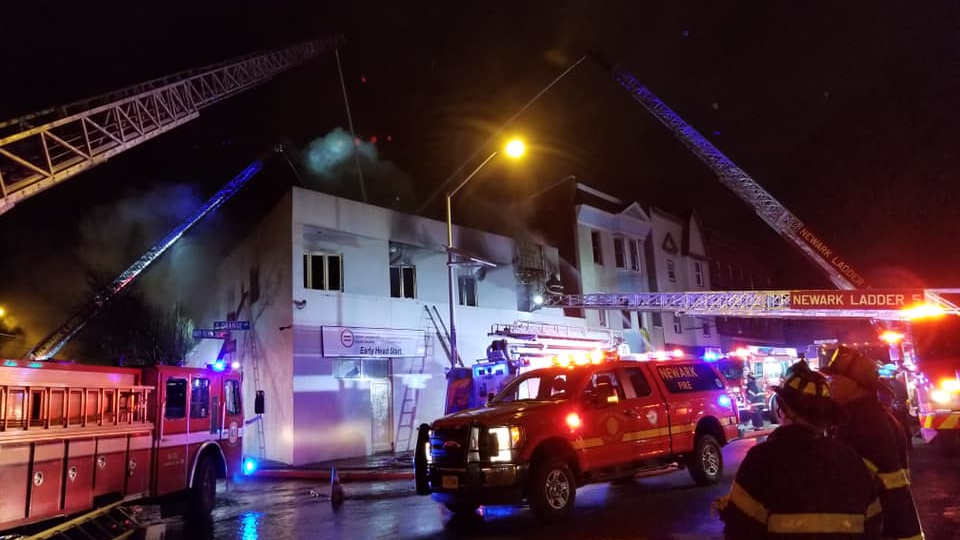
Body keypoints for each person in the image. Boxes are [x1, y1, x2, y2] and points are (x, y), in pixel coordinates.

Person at [715, 360, 881, 539]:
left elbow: (740, 530)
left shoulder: (761, 461)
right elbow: (873, 526)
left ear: (782, 411)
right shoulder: (852, 461)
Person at [822, 345, 925, 540]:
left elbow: (853, 488)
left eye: (835, 378)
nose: (830, 383)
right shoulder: (876, 416)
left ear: (856, 383)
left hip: (882, 530)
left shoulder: (861, 424)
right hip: (897, 527)